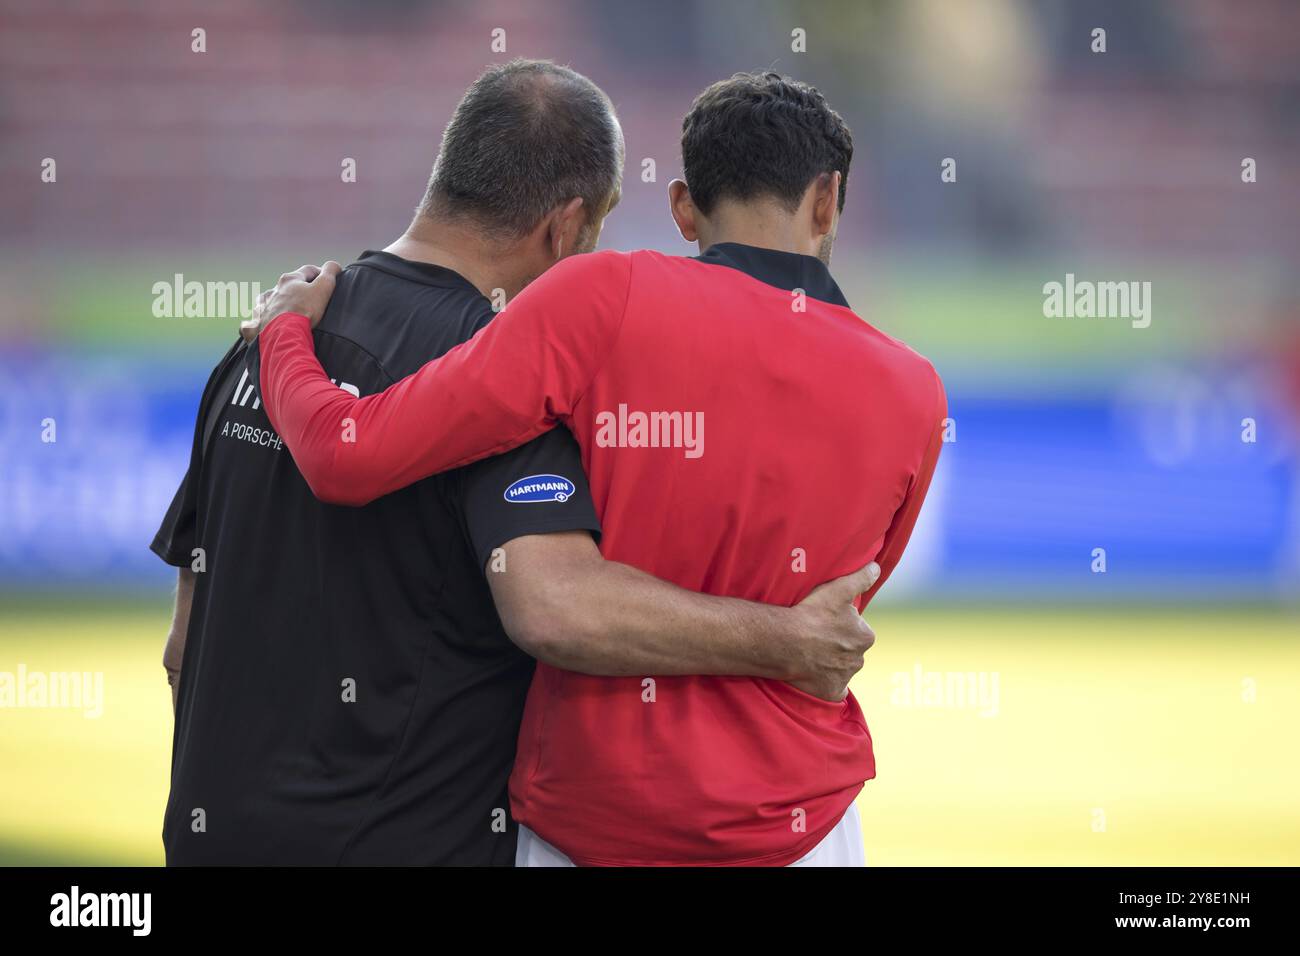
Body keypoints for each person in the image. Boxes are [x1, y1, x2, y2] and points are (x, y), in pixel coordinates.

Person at [154, 61, 878, 866]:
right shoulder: (505, 382)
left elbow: (183, 648)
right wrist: (786, 640)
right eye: (596, 231)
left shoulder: (260, 341)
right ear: (564, 228)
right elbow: (558, 608)